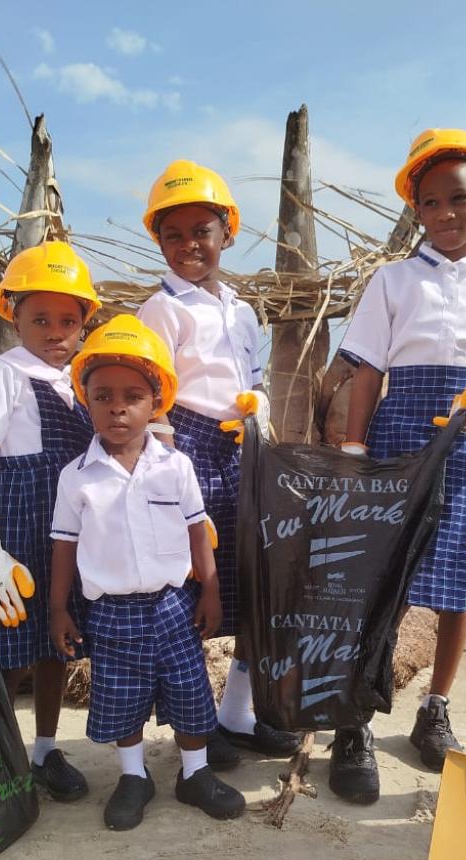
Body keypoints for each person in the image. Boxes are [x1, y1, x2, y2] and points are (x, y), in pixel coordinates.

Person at [335, 129, 466, 803]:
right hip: (398, 439)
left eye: (461, 199)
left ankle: (435, 709)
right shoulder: (391, 281)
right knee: (380, 585)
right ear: (415, 208)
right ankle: (355, 720)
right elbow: (366, 371)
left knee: (455, 588)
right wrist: (356, 451)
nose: (447, 213)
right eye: (432, 202)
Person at [49, 316, 247, 831]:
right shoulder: (75, 479)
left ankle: (194, 773)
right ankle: (134, 776)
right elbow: (64, 547)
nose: (118, 407)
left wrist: (210, 590)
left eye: (133, 395)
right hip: (110, 612)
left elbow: (198, 530)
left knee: (189, 691)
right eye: (103, 396)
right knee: (121, 698)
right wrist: (57, 610)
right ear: (85, 401)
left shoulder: (175, 467)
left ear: (156, 403)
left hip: (173, 605)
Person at [136, 160, 300, 770]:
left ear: (227, 232)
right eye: (173, 235)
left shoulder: (240, 309)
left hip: (243, 446)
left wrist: (260, 420)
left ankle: (237, 714)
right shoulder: (162, 309)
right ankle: (195, 724)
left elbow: (252, 379)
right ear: (158, 241)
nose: (188, 246)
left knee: (250, 581)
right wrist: (167, 468)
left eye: (201, 231)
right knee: (191, 580)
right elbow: (154, 395)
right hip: (190, 447)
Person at [0, 241, 100, 803]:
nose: (54, 331)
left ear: (85, 325)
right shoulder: (4, 374)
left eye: (68, 320)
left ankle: (45, 748)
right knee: (5, 648)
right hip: (17, 525)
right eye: (39, 318)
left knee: (53, 644)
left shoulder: (82, 382)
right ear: (12, 314)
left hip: (67, 530)